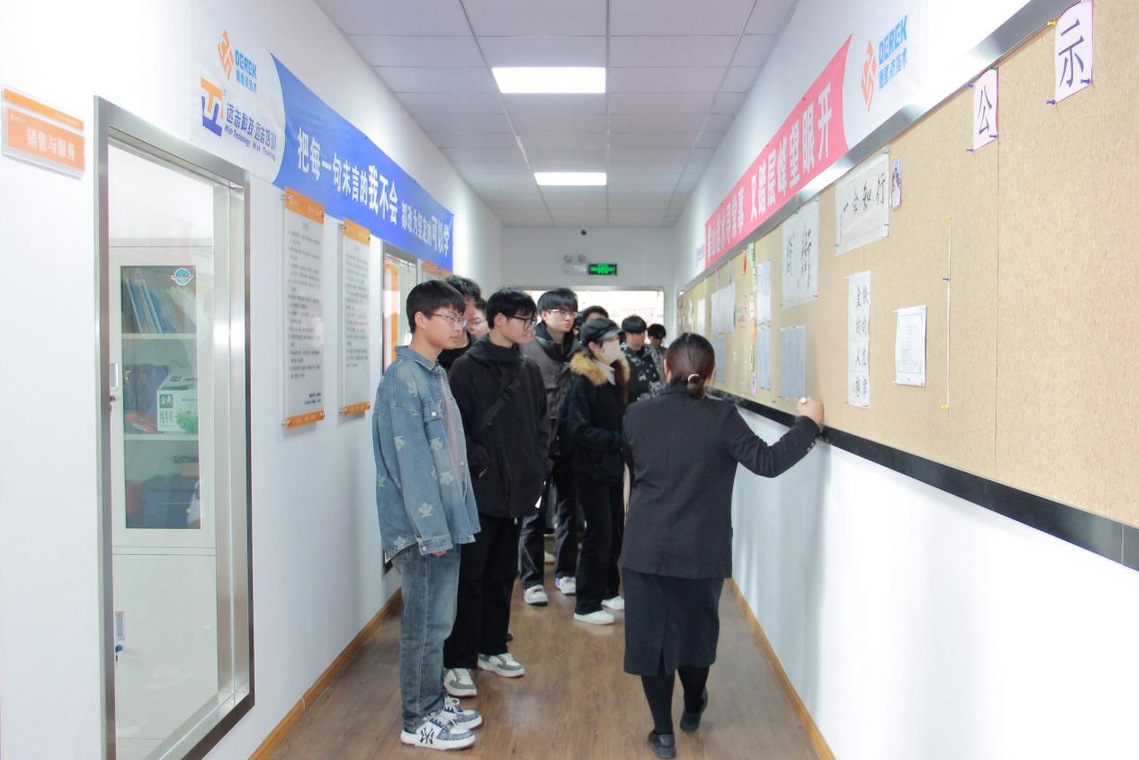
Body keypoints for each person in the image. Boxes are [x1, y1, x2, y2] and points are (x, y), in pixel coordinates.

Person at [621, 333, 824, 759]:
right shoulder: (721, 416)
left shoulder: (636, 414)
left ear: (666, 368)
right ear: (711, 373)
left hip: (645, 545)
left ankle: (663, 735)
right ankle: (693, 706)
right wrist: (808, 424)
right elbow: (768, 462)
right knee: (696, 635)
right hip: (702, 549)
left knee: (651, 641)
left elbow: (635, 473)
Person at [372, 280, 484, 751]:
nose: (460, 327)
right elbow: (411, 465)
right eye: (450, 318)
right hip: (422, 531)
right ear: (420, 319)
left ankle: (434, 702)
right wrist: (433, 532)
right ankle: (417, 718)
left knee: (439, 622)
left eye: (462, 318)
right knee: (422, 626)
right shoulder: (403, 379)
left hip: (444, 522)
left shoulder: (434, 374)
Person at [443, 289, 549, 699]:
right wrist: (481, 465)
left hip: (517, 491)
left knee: (504, 573)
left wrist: (537, 467)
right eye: (524, 319)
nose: (529, 327)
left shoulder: (528, 370)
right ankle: (458, 660)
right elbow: (455, 428)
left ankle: (492, 648)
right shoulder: (466, 368)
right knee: (469, 576)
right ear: (499, 320)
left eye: (532, 320)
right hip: (478, 491)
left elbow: (541, 425)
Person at [561, 317, 629, 625]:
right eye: (610, 340)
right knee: (598, 535)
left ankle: (608, 590)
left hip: (613, 468)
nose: (617, 344)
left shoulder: (616, 374)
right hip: (591, 469)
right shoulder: (583, 382)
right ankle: (586, 603)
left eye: (617, 338)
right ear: (594, 346)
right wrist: (618, 440)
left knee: (614, 532)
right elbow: (577, 430)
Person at [518, 288, 580, 604]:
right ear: (544, 315)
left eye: (572, 312)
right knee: (533, 513)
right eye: (561, 311)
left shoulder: (580, 350)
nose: (568, 318)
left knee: (569, 511)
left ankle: (566, 573)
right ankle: (531, 581)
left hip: (571, 442)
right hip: (536, 443)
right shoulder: (526, 348)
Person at [438, 275, 482, 372]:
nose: (473, 311)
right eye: (466, 305)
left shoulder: (480, 350)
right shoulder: (436, 350)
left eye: (474, 304)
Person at [621, 315, 664, 404]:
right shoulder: (620, 355)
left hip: (656, 402)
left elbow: (662, 373)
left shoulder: (652, 351)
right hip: (633, 405)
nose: (643, 336)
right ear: (628, 334)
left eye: (644, 332)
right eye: (638, 333)